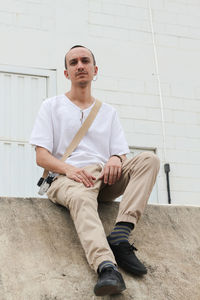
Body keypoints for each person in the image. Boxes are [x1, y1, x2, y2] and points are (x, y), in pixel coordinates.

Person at [30, 45, 160, 296]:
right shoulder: (51, 106)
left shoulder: (108, 112)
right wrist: (70, 170)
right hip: (67, 178)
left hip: (104, 177)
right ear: (66, 73)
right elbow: (41, 156)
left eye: (85, 61)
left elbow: (120, 151)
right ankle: (106, 266)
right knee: (80, 197)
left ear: (94, 69)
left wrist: (115, 158)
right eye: (73, 62)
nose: (80, 65)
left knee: (149, 160)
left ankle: (121, 235)